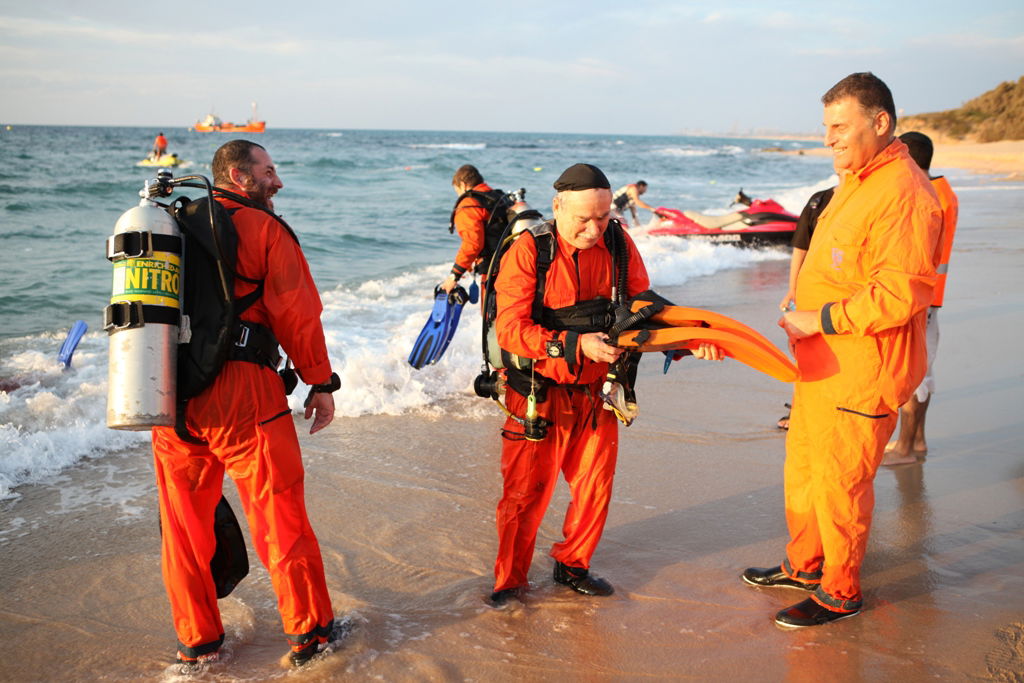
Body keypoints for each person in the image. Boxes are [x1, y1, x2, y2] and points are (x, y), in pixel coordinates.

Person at [742, 73, 941, 628]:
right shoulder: (856, 179)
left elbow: (897, 295)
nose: (827, 138)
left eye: (838, 127)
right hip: (821, 363)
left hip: (862, 367)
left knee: (841, 481)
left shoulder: (904, 192)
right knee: (804, 468)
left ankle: (840, 591)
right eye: (824, 127)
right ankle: (805, 565)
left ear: (879, 124)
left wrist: (818, 316)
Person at [489, 163, 721, 605]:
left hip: (597, 393)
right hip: (537, 394)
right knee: (524, 495)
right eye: (584, 219)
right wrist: (574, 345)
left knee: (595, 487)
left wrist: (688, 343)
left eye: (603, 216)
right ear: (558, 206)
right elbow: (510, 332)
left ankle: (573, 565)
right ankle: (510, 581)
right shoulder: (527, 251)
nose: (595, 229)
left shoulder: (618, 239)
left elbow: (642, 311)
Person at [151, 140, 340, 668]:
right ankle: (312, 636)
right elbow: (298, 314)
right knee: (280, 517)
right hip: (242, 394)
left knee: (184, 531)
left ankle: (198, 646)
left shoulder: (170, 226)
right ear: (239, 176)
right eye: (269, 171)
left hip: (170, 391)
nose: (277, 182)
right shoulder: (263, 229)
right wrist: (320, 383)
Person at [882, 131, 959, 466]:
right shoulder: (943, 190)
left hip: (920, 298)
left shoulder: (925, 195)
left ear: (909, 158)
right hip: (932, 296)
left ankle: (905, 448)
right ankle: (918, 441)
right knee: (924, 371)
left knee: (916, 372)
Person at [775, 186, 834, 429]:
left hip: (843, 292)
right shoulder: (819, 201)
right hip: (811, 290)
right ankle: (800, 408)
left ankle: (828, 409)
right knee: (804, 352)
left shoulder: (869, 199)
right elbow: (801, 247)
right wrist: (792, 288)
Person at [441, 164, 498, 294]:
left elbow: (472, 243)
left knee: (492, 313)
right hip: (513, 265)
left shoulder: (469, 205)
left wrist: (454, 275)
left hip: (494, 272)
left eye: (457, 191)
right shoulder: (497, 198)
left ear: (463, 185)